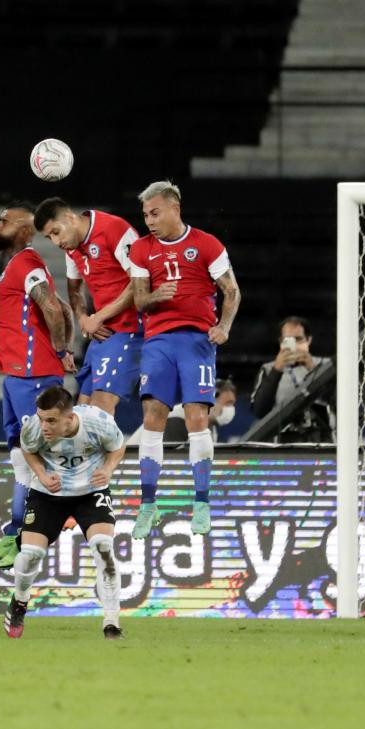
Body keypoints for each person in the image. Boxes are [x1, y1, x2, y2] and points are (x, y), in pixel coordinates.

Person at [127, 181, 241, 538]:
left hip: (197, 341)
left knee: (197, 417)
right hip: (159, 340)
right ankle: (148, 505)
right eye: (145, 214)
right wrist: (156, 294)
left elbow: (232, 290)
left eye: (155, 212)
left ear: (175, 208)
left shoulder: (206, 244)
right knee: (152, 416)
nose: (149, 220)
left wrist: (223, 326)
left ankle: (202, 503)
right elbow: (139, 301)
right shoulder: (142, 249)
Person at [0, 203, 77, 570]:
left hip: (32, 374)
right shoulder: (17, 266)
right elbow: (62, 308)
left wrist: (63, 348)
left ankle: (45, 522)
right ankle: (17, 532)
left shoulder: (27, 263)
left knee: (39, 453)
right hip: (18, 374)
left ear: (24, 230)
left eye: (4, 220)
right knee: (22, 456)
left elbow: (51, 308)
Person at [3, 386, 125, 640]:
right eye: (41, 418)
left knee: (104, 549)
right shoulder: (34, 428)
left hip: (91, 492)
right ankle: (20, 601)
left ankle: (112, 622)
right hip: (49, 494)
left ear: (70, 418)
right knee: (30, 556)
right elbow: (28, 450)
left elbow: (118, 445)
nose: (44, 426)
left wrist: (109, 469)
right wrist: (41, 475)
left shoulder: (98, 422)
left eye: (51, 420)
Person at [34, 197, 142, 415]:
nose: (55, 242)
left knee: (101, 406)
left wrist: (98, 317)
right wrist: (83, 318)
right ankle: (91, 450)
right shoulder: (71, 248)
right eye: (49, 237)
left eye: (56, 232)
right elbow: (74, 291)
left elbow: (139, 284)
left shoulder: (114, 229)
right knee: (83, 408)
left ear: (69, 217)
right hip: (102, 332)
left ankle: (110, 450)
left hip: (131, 327)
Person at [250, 316, 335, 443]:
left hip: (321, 439)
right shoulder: (268, 369)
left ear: (309, 340)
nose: (294, 345)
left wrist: (313, 369)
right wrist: (277, 370)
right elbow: (259, 411)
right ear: (281, 342)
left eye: (299, 339)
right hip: (283, 442)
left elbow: (337, 401)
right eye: (289, 340)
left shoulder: (325, 365)